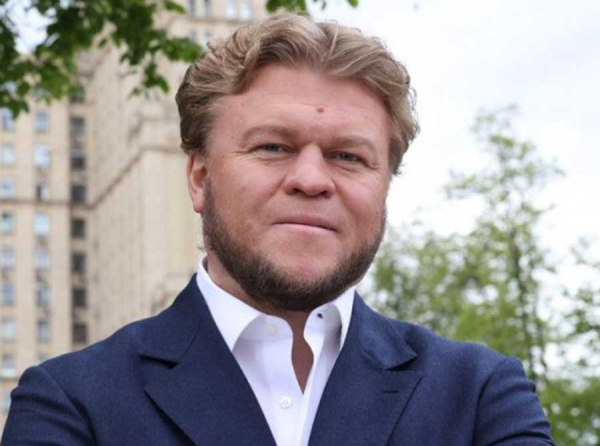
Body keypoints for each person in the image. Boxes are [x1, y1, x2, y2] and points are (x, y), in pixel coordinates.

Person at [2, 13, 553, 446]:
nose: (311, 180)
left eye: (348, 156)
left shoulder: (480, 397)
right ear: (199, 178)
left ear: (385, 185)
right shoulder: (70, 403)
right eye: (272, 147)